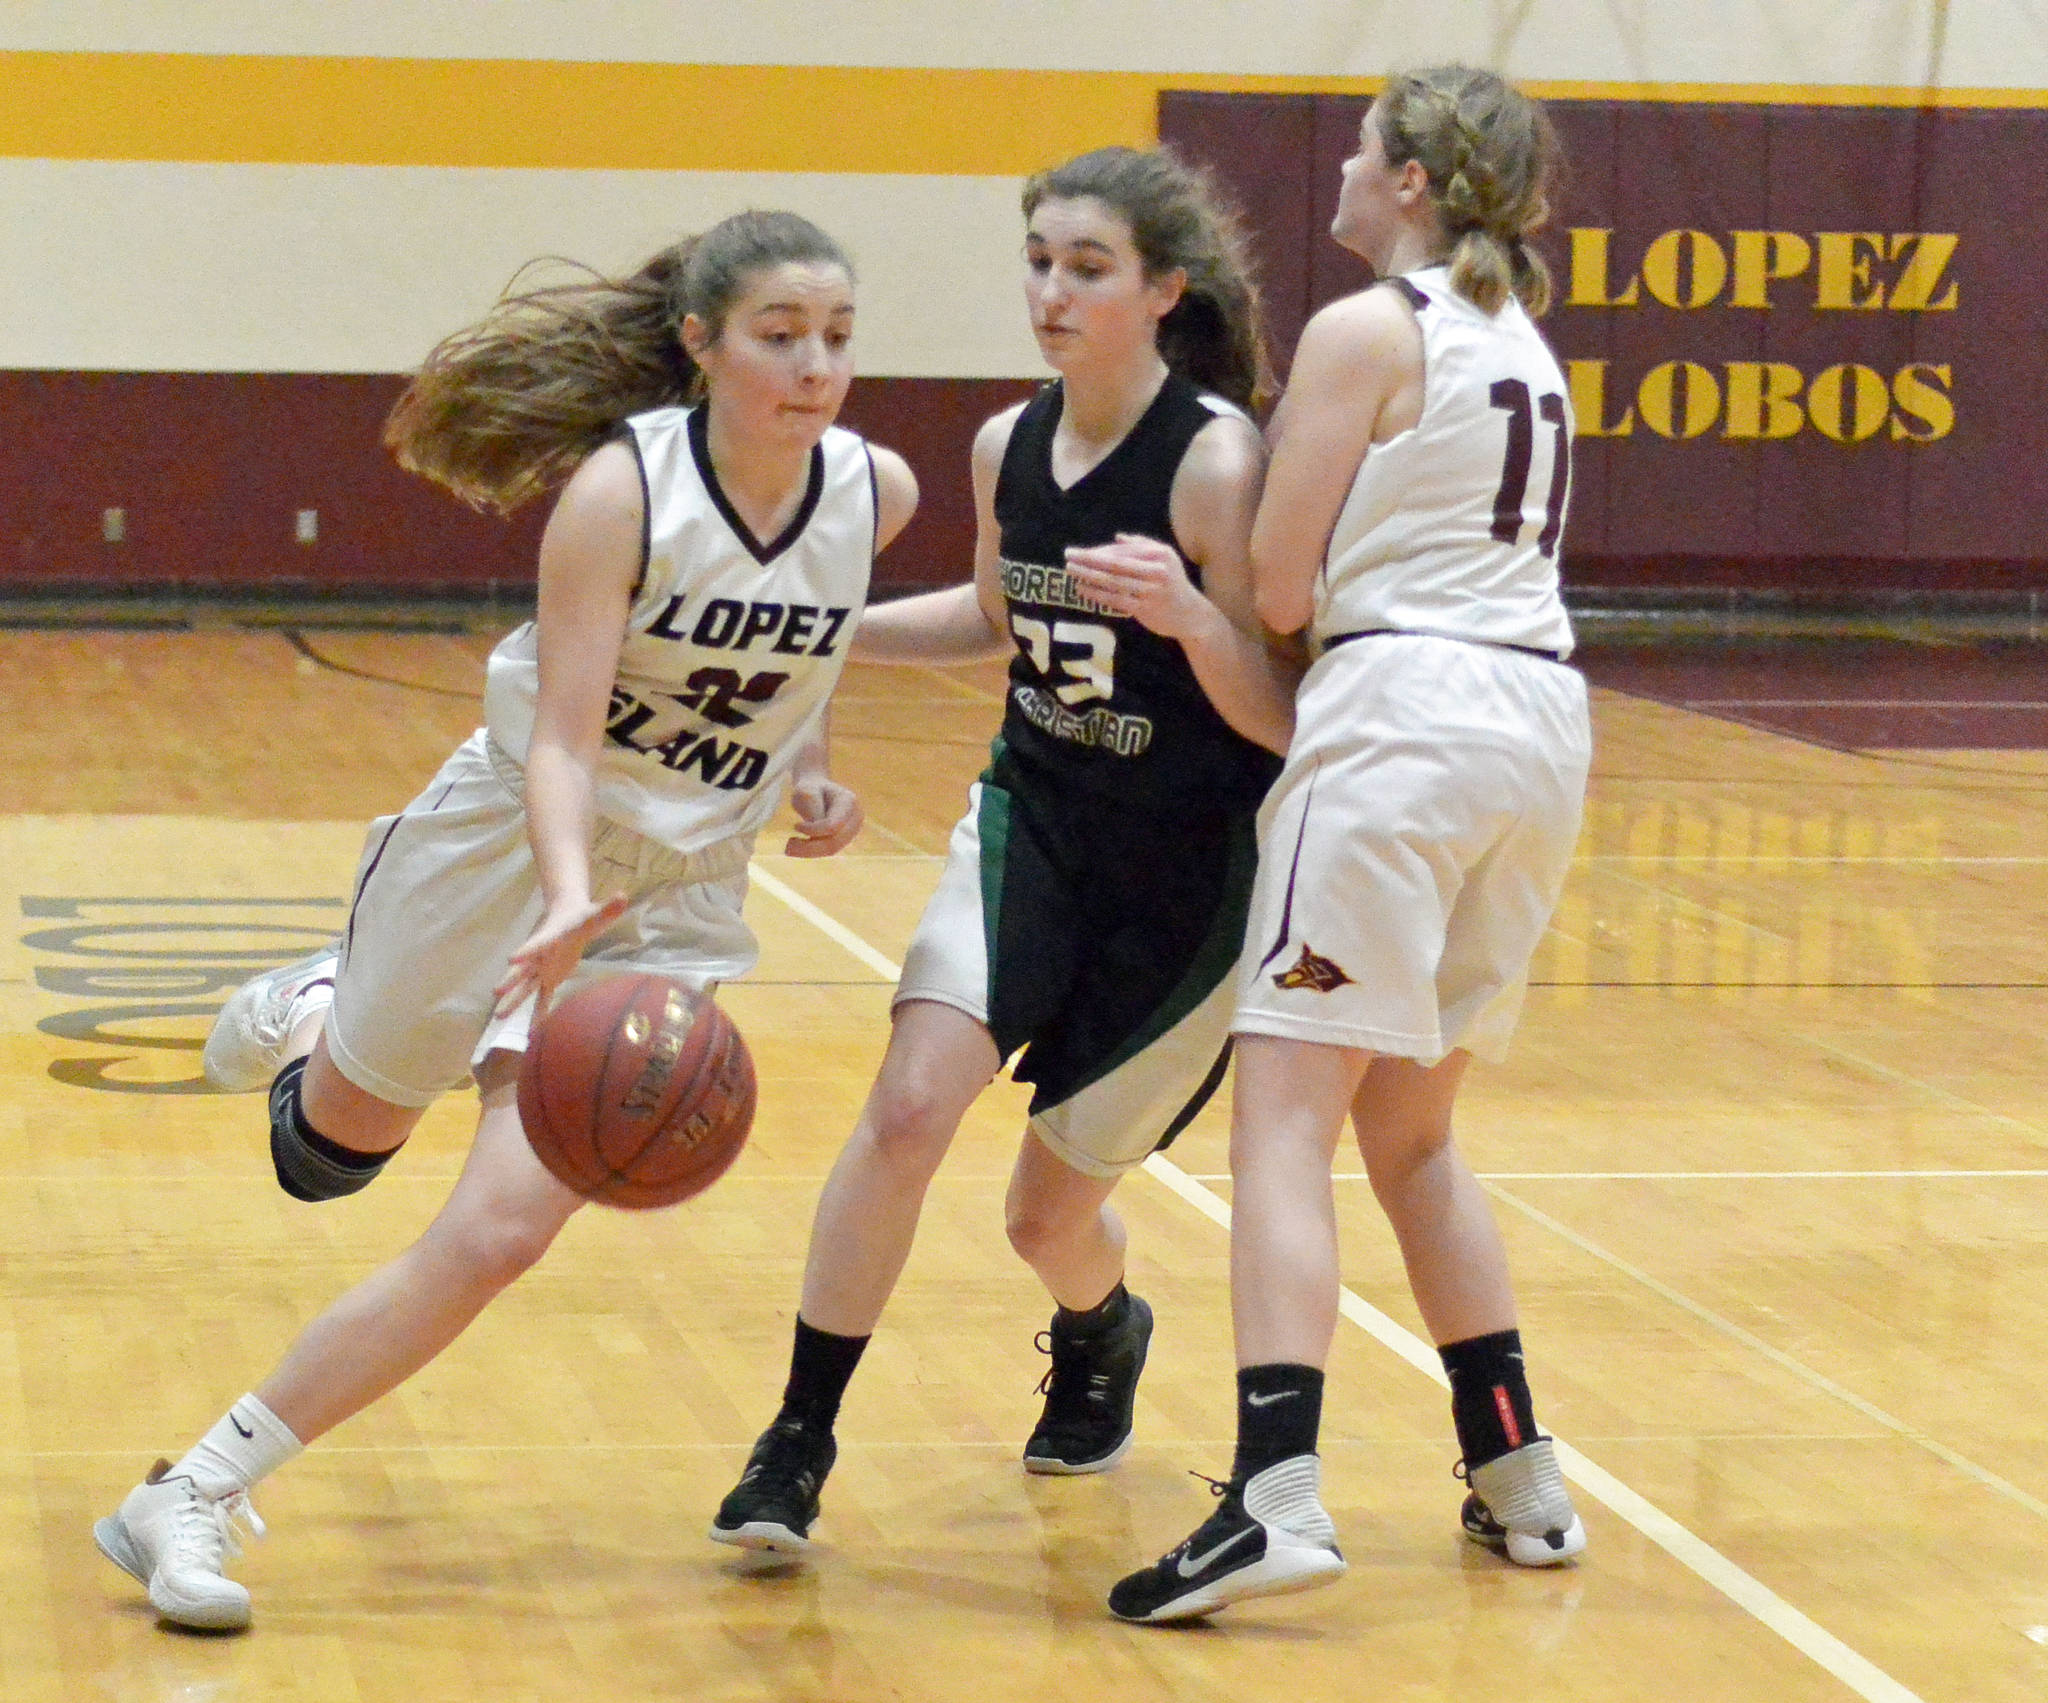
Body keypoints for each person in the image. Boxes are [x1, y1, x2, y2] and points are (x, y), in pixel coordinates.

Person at [92, 210, 918, 1631]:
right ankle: (313, 1008)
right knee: (327, 1156)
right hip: (512, 851)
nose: (815, 366)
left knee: (501, 1234)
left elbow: (806, 637)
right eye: (780, 337)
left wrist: (820, 770)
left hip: (675, 899)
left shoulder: (874, 488)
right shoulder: (620, 493)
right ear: (702, 345)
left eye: (838, 338)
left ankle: (196, 1491)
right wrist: (559, 890)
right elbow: (561, 745)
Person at [708, 146, 1301, 1553]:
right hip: (1031, 821)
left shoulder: (1219, 462)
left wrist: (1193, 621)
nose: (1050, 291)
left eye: (1086, 268)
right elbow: (994, 614)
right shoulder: (1007, 447)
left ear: (1162, 291)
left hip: (1186, 889)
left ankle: (1103, 1329)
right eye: (1039, 261)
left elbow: (1285, 718)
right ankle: (796, 1443)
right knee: (910, 1106)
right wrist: (824, 627)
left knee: (1050, 1221)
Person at [1107, 66, 1594, 1623]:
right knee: (1415, 1134)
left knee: (1282, 1121)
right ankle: (1519, 1473)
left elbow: (1287, 583)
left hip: (1401, 722)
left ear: (1416, 182)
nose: (1341, 161)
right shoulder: (1523, 341)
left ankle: (1274, 1497)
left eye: (1366, 146)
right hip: (1537, 728)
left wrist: (1204, 600)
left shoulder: (1367, 328)